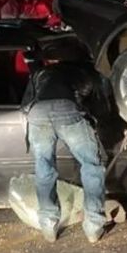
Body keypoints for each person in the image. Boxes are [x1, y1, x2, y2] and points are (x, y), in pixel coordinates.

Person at [22, 56, 107, 243]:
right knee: (91, 165)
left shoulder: (41, 73)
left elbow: (26, 104)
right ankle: (94, 225)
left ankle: (48, 224)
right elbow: (96, 101)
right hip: (66, 109)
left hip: (37, 114)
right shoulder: (83, 71)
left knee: (44, 168)